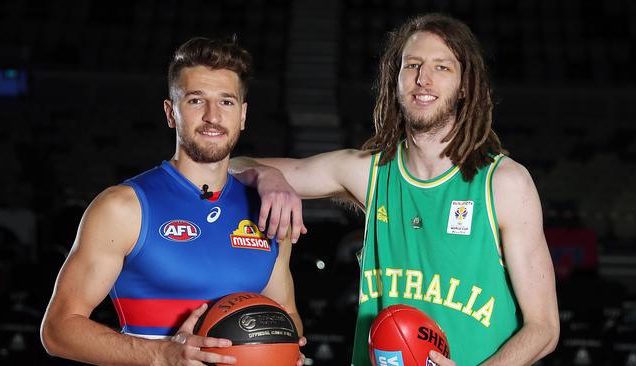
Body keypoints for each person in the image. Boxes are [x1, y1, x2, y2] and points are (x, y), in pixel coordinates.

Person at [230, 13, 559, 366]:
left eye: (442, 67)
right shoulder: (369, 173)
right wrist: (268, 177)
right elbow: (231, 166)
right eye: (412, 65)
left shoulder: (504, 184)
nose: (423, 79)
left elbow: (544, 328)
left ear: (465, 85)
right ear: (396, 79)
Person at [40, 37, 304, 366]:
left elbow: (287, 315)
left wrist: (282, 348)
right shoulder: (124, 207)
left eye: (226, 102)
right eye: (196, 101)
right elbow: (58, 329)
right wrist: (162, 355)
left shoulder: (269, 212)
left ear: (243, 115)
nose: (212, 116)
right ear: (171, 112)